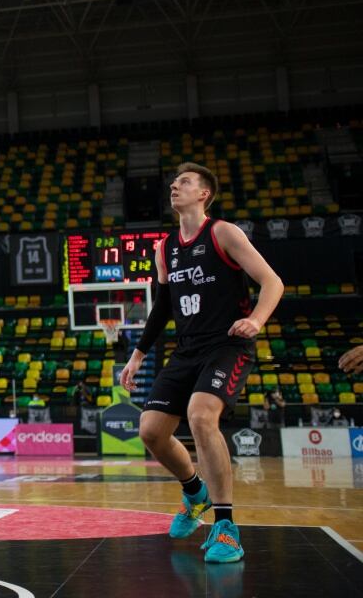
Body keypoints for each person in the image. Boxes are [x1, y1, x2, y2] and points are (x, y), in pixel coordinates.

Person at [120, 162, 284, 564]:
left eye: (185, 183)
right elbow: (162, 307)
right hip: (188, 349)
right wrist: (139, 354)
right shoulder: (165, 248)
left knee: (200, 415)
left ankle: (226, 528)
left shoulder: (223, 233)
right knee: (151, 431)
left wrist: (256, 320)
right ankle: (195, 492)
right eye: (174, 183)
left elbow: (273, 282)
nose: (175, 187)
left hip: (227, 345)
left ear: (204, 194)